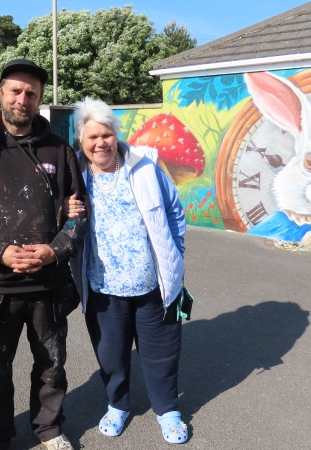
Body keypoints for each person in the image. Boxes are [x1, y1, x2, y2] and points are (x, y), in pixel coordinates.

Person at [0, 59, 88, 450]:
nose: (22, 99)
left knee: (52, 366)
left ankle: (49, 430)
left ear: (40, 99)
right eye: (15, 91)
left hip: (50, 284)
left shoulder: (60, 150)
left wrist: (54, 250)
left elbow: (79, 214)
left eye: (31, 93)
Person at [68, 97, 189, 444]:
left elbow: (175, 213)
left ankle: (168, 411)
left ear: (115, 135)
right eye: (92, 137)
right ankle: (117, 405)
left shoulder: (145, 167)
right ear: (81, 140)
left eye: (106, 135)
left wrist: (175, 256)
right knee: (111, 353)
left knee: (162, 352)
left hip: (153, 284)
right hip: (103, 287)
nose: (100, 143)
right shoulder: (74, 176)